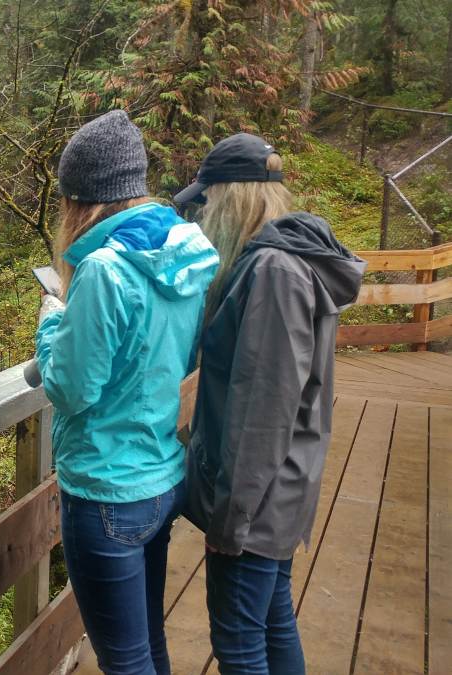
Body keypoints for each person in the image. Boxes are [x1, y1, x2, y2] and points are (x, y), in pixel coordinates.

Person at [33, 110, 220, 675]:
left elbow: (69, 388)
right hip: (163, 475)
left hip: (107, 491)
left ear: (81, 200)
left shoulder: (104, 271)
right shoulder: (184, 253)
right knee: (147, 646)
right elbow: (174, 356)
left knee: (124, 661)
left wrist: (49, 323)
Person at [176, 133, 366, 675]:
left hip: (257, 506)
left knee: (237, 642)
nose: (203, 216)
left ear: (231, 198)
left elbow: (263, 412)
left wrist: (230, 521)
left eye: (208, 202)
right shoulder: (285, 261)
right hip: (280, 491)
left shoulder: (273, 274)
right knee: (272, 619)